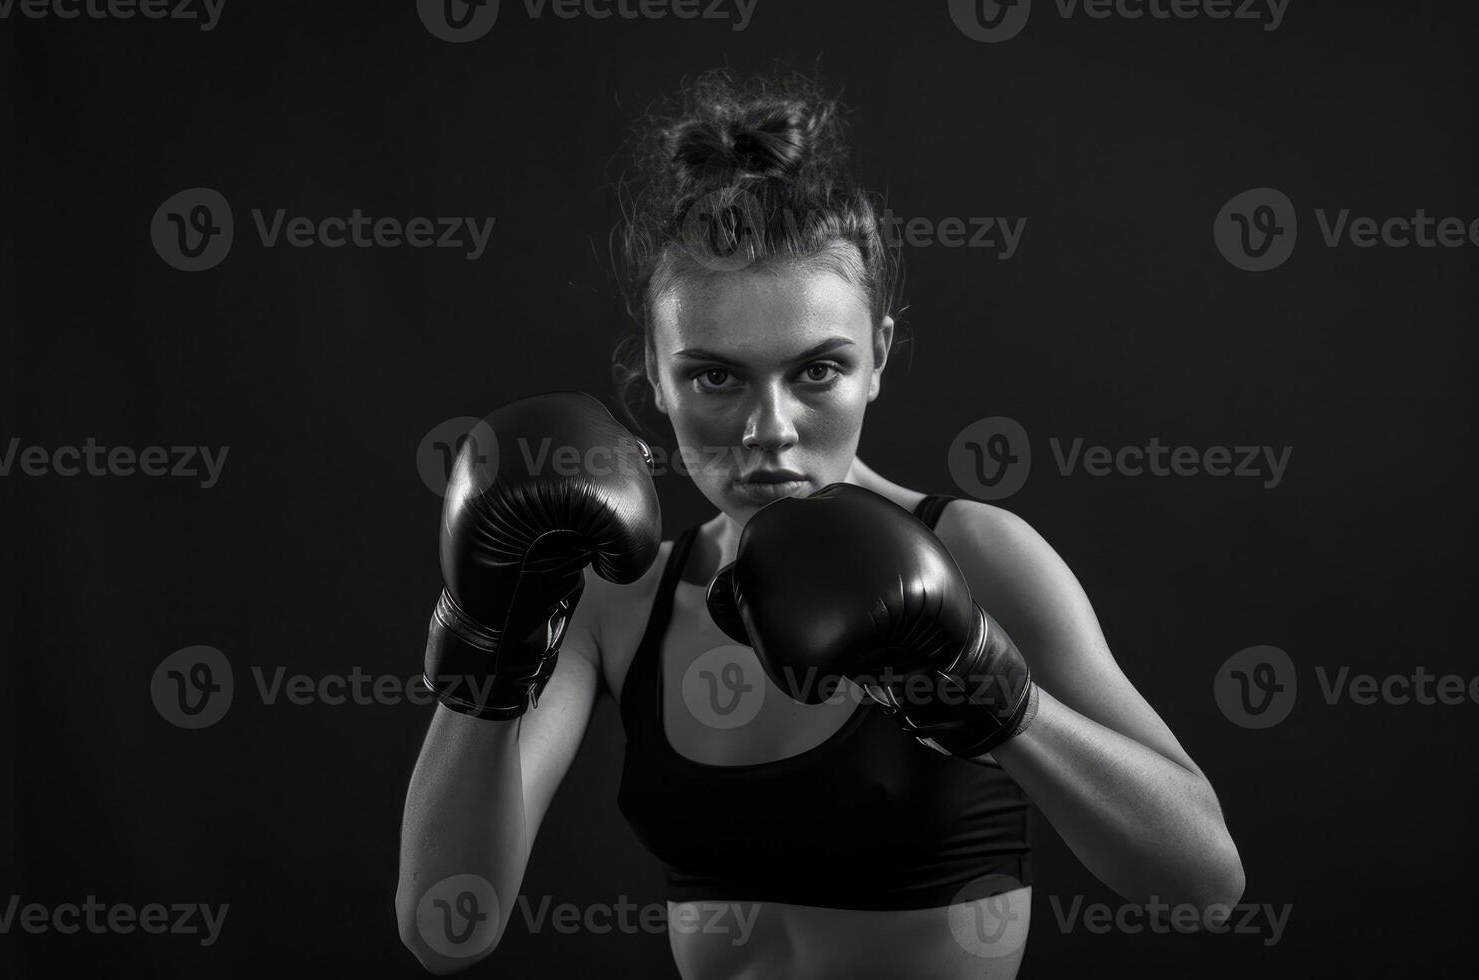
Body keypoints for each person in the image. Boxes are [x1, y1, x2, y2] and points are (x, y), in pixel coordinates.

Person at [397, 71, 1244, 978]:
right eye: (715, 376)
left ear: (877, 355)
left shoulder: (974, 553)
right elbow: (449, 928)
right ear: (653, 371)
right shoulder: (618, 599)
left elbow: (1203, 885)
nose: (770, 430)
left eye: (816, 371)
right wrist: (492, 640)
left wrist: (994, 697)